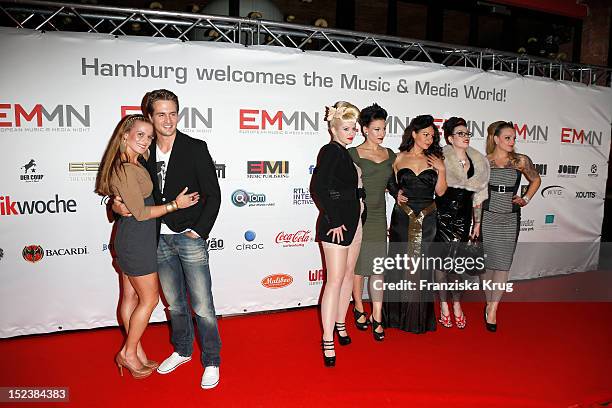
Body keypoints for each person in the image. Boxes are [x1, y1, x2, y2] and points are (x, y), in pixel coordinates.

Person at [113, 90, 222, 389]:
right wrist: (116, 204)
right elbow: (132, 197)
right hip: (156, 239)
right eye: (161, 114)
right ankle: (183, 349)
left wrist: (198, 231)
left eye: (173, 113)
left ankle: (211, 359)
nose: (168, 120)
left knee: (202, 305)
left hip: (189, 237)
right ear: (150, 117)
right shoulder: (142, 154)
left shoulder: (195, 147)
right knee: (174, 304)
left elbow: (213, 194)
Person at [96, 114, 199, 379]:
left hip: (134, 238)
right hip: (136, 242)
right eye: (140, 134)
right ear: (125, 136)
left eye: (149, 136)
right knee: (150, 299)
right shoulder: (126, 167)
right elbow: (141, 213)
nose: (146, 140)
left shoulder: (134, 163)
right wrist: (176, 205)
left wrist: (117, 205)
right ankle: (128, 353)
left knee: (130, 297)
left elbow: (128, 204)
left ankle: (137, 352)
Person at [311, 101, 364, 367]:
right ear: (333, 128)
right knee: (334, 281)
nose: (352, 132)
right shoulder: (330, 151)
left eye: (354, 128)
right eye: (346, 128)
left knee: (346, 278)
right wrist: (333, 218)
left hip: (354, 223)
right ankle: (327, 337)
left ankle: (341, 324)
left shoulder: (345, 153)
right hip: (338, 226)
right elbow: (319, 188)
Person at [383, 114, 447, 333]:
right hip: (402, 217)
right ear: (414, 134)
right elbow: (389, 182)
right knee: (400, 262)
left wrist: (442, 169)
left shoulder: (436, 159)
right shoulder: (398, 158)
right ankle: (395, 316)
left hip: (428, 217)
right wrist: (396, 192)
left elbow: (441, 192)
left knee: (422, 265)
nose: (429, 139)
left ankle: (418, 318)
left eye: (432, 135)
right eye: (425, 134)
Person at [481, 121, 541, 332]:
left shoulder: (520, 160)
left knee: (504, 264)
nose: (512, 141)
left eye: (514, 138)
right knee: (488, 266)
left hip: (509, 218)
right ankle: (489, 303)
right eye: (507, 138)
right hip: (488, 217)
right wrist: (476, 222)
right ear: (496, 139)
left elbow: (536, 179)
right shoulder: (484, 162)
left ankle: (494, 309)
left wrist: (526, 198)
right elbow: (477, 194)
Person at [433, 117, 490, 329]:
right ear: (450, 138)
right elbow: (436, 190)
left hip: (464, 218)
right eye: (460, 134)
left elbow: (479, 196)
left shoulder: (478, 161)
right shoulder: (441, 158)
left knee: (457, 264)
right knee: (441, 264)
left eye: (467, 133)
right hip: (442, 216)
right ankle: (445, 307)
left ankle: (457, 305)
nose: (466, 137)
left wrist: (477, 223)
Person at [348, 103, 396, 341]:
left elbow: (396, 185)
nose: (381, 133)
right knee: (358, 268)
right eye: (376, 128)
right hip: (359, 217)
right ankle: (358, 306)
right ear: (365, 129)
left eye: (383, 128)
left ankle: (377, 315)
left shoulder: (391, 155)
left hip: (379, 217)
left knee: (378, 269)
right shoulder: (353, 154)